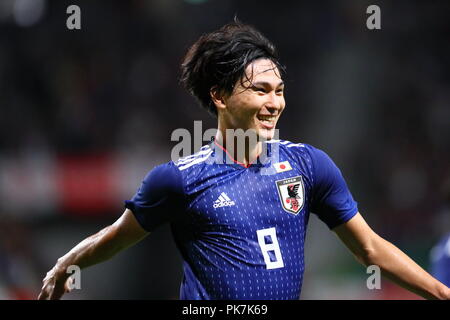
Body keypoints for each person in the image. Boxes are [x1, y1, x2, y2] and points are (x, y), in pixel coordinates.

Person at [38, 20, 450, 300]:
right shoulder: (179, 180)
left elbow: (371, 249)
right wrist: (65, 264)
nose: (274, 103)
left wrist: (441, 292)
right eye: (260, 90)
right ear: (219, 96)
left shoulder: (309, 167)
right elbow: (116, 237)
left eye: (279, 90)